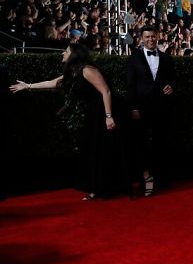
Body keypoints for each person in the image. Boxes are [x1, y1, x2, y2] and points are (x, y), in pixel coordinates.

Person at [9, 43, 125, 200]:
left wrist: (108, 116)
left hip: (104, 111)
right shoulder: (74, 72)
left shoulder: (88, 70)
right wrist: (27, 86)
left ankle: (105, 188)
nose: (63, 53)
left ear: (74, 55)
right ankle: (96, 188)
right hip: (93, 113)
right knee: (93, 150)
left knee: (103, 149)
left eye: (66, 51)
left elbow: (106, 91)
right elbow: (53, 83)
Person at [126, 25, 175, 196]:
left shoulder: (166, 58)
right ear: (142, 39)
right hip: (141, 108)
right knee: (141, 143)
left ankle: (160, 177)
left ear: (158, 36)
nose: (150, 39)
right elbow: (130, 85)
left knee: (161, 142)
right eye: (147, 37)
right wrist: (133, 107)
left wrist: (172, 87)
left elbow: (173, 79)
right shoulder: (134, 59)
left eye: (153, 36)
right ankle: (146, 177)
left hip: (162, 107)